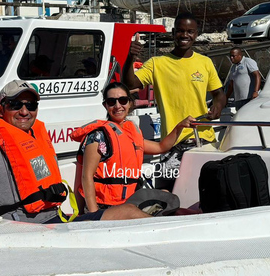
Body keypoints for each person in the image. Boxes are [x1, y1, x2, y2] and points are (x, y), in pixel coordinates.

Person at [0, 79, 148, 223]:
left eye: (30, 105)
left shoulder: (34, 139)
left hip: (56, 221)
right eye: (15, 104)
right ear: (0, 109)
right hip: (28, 231)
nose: (24, 111)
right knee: (129, 213)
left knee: (130, 211)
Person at [123, 11, 226, 188]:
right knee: (172, 194)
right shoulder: (157, 63)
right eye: (180, 31)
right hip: (172, 143)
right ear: (173, 33)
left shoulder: (205, 62)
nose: (185, 35)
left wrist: (218, 106)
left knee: (207, 192)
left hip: (204, 139)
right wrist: (130, 58)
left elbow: (219, 93)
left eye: (190, 31)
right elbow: (130, 82)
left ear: (196, 34)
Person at [71, 82, 194, 213]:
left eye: (123, 100)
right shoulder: (98, 136)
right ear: (105, 105)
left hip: (129, 202)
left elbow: (161, 147)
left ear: (130, 103)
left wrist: (179, 126)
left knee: (167, 196)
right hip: (105, 206)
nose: (118, 106)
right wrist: (94, 214)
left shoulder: (131, 134)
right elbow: (86, 177)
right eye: (112, 102)